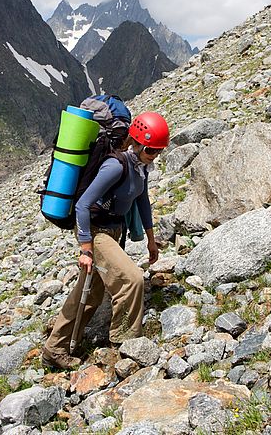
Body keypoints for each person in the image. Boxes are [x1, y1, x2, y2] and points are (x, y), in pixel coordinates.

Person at [42, 111, 169, 370]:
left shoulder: (140, 168)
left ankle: (54, 349)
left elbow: (142, 201)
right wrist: (86, 248)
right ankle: (123, 346)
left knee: (90, 293)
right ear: (138, 142)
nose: (155, 155)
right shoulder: (115, 166)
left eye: (158, 150)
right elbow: (83, 205)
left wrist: (151, 240)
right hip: (96, 232)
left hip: (113, 231)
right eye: (152, 150)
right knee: (132, 279)